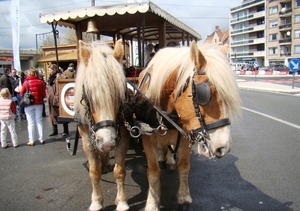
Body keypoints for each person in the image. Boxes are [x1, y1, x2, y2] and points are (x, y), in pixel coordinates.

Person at [20, 67, 46, 146]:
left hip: (29, 104)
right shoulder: (40, 82)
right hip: (39, 103)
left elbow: (21, 93)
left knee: (30, 122)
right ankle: (41, 139)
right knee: (39, 121)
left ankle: (31, 140)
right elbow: (44, 94)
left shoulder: (26, 82)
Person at [47, 64, 69, 137]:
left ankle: (65, 131)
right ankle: (55, 130)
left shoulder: (59, 76)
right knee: (53, 115)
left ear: (55, 69)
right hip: (51, 98)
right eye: (49, 70)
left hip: (58, 98)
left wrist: (60, 77)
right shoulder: (50, 78)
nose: (50, 71)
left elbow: (65, 79)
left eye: (51, 70)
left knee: (62, 114)